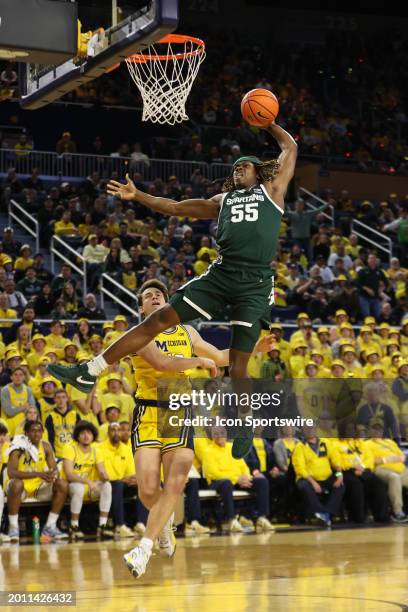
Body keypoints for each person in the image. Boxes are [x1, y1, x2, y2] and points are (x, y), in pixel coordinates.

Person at [49, 120, 298, 462]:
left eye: (246, 166)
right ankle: (89, 370)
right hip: (222, 273)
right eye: (236, 166)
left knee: (239, 364)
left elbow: (291, 148)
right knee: (158, 320)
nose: (239, 169)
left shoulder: (272, 191)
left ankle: (243, 424)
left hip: (255, 283)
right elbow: (176, 207)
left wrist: (268, 123)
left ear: (259, 172)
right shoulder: (221, 200)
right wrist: (138, 196)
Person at [119, 280, 273, 578]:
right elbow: (163, 363)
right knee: (149, 489)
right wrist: (198, 360)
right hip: (148, 412)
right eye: (147, 296)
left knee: (176, 480)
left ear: (167, 303)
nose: (153, 298)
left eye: (158, 295)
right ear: (141, 307)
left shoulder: (187, 332)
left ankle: (144, 548)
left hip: (177, 411)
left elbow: (220, 357)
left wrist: (253, 349)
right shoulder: (138, 334)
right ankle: (162, 524)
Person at [6, 420, 69, 541]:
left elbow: (54, 469)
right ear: (26, 433)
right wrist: (38, 474)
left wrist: (52, 475)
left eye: (39, 431)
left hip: (39, 487)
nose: (36, 434)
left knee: (62, 484)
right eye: (33, 431)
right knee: (17, 484)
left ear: (43, 433)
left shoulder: (45, 446)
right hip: (20, 488)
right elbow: (11, 473)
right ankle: (13, 528)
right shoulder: (17, 447)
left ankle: (50, 526)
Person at [62, 421, 112, 540]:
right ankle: (74, 526)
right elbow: (69, 474)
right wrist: (88, 482)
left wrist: (104, 475)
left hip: (90, 487)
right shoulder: (69, 448)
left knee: (107, 486)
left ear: (93, 436)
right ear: (77, 436)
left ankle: (102, 526)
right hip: (71, 486)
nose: (86, 436)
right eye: (83, 433)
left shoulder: (96, 451)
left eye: (89, 433)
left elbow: (101, 470)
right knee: (79, 488)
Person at [98, 422, 138, 537]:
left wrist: (131, 479)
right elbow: (102, 473)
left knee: (142, 485)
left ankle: (141, 524)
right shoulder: (100, 448)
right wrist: (121, 479)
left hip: (122, 482)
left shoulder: (127, 449)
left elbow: (131, 474)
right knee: (116, 485)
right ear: (108, 433)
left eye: (118, 430)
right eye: (113, 430)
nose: (116, 433)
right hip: (106, 483)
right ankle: (120, 525)